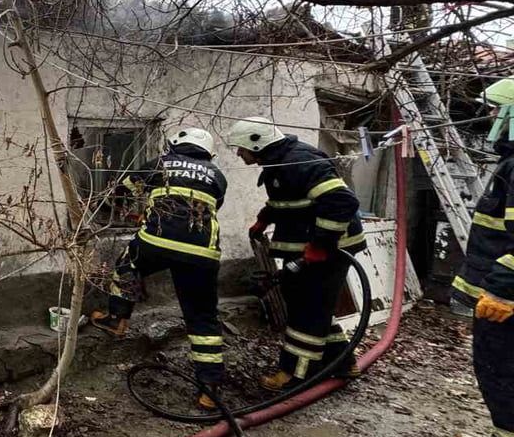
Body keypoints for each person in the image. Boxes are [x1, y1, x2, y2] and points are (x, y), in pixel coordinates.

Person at [88, 127, 228, 409]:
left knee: (127, 265)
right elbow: (207, 208)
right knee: (203, 316)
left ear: (175, 145)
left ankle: (117, 319)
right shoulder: (217, 176)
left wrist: (117, 209)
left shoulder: (161, 163)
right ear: (207, 153)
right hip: (202, 252)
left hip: (158, 240)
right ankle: (210, 388)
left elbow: (122, 191)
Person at [225, 117, 365, 392]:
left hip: (331, 250)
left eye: (241, 148)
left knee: (306, 307)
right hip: (315, 247)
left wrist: (321, 245)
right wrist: (265, 217)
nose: (239, 154)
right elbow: (289, 197)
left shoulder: (299, 162)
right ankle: (342, 361)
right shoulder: (280, 161)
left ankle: (297, 373)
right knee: (316, 306)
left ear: (258, 142)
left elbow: (342, 201)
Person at [452, 76, 514, 437]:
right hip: (499, 298)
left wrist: (503, 289)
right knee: (497, 375)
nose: (491, 117)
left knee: (508, 376)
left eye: (498, 110)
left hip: (506, 300)